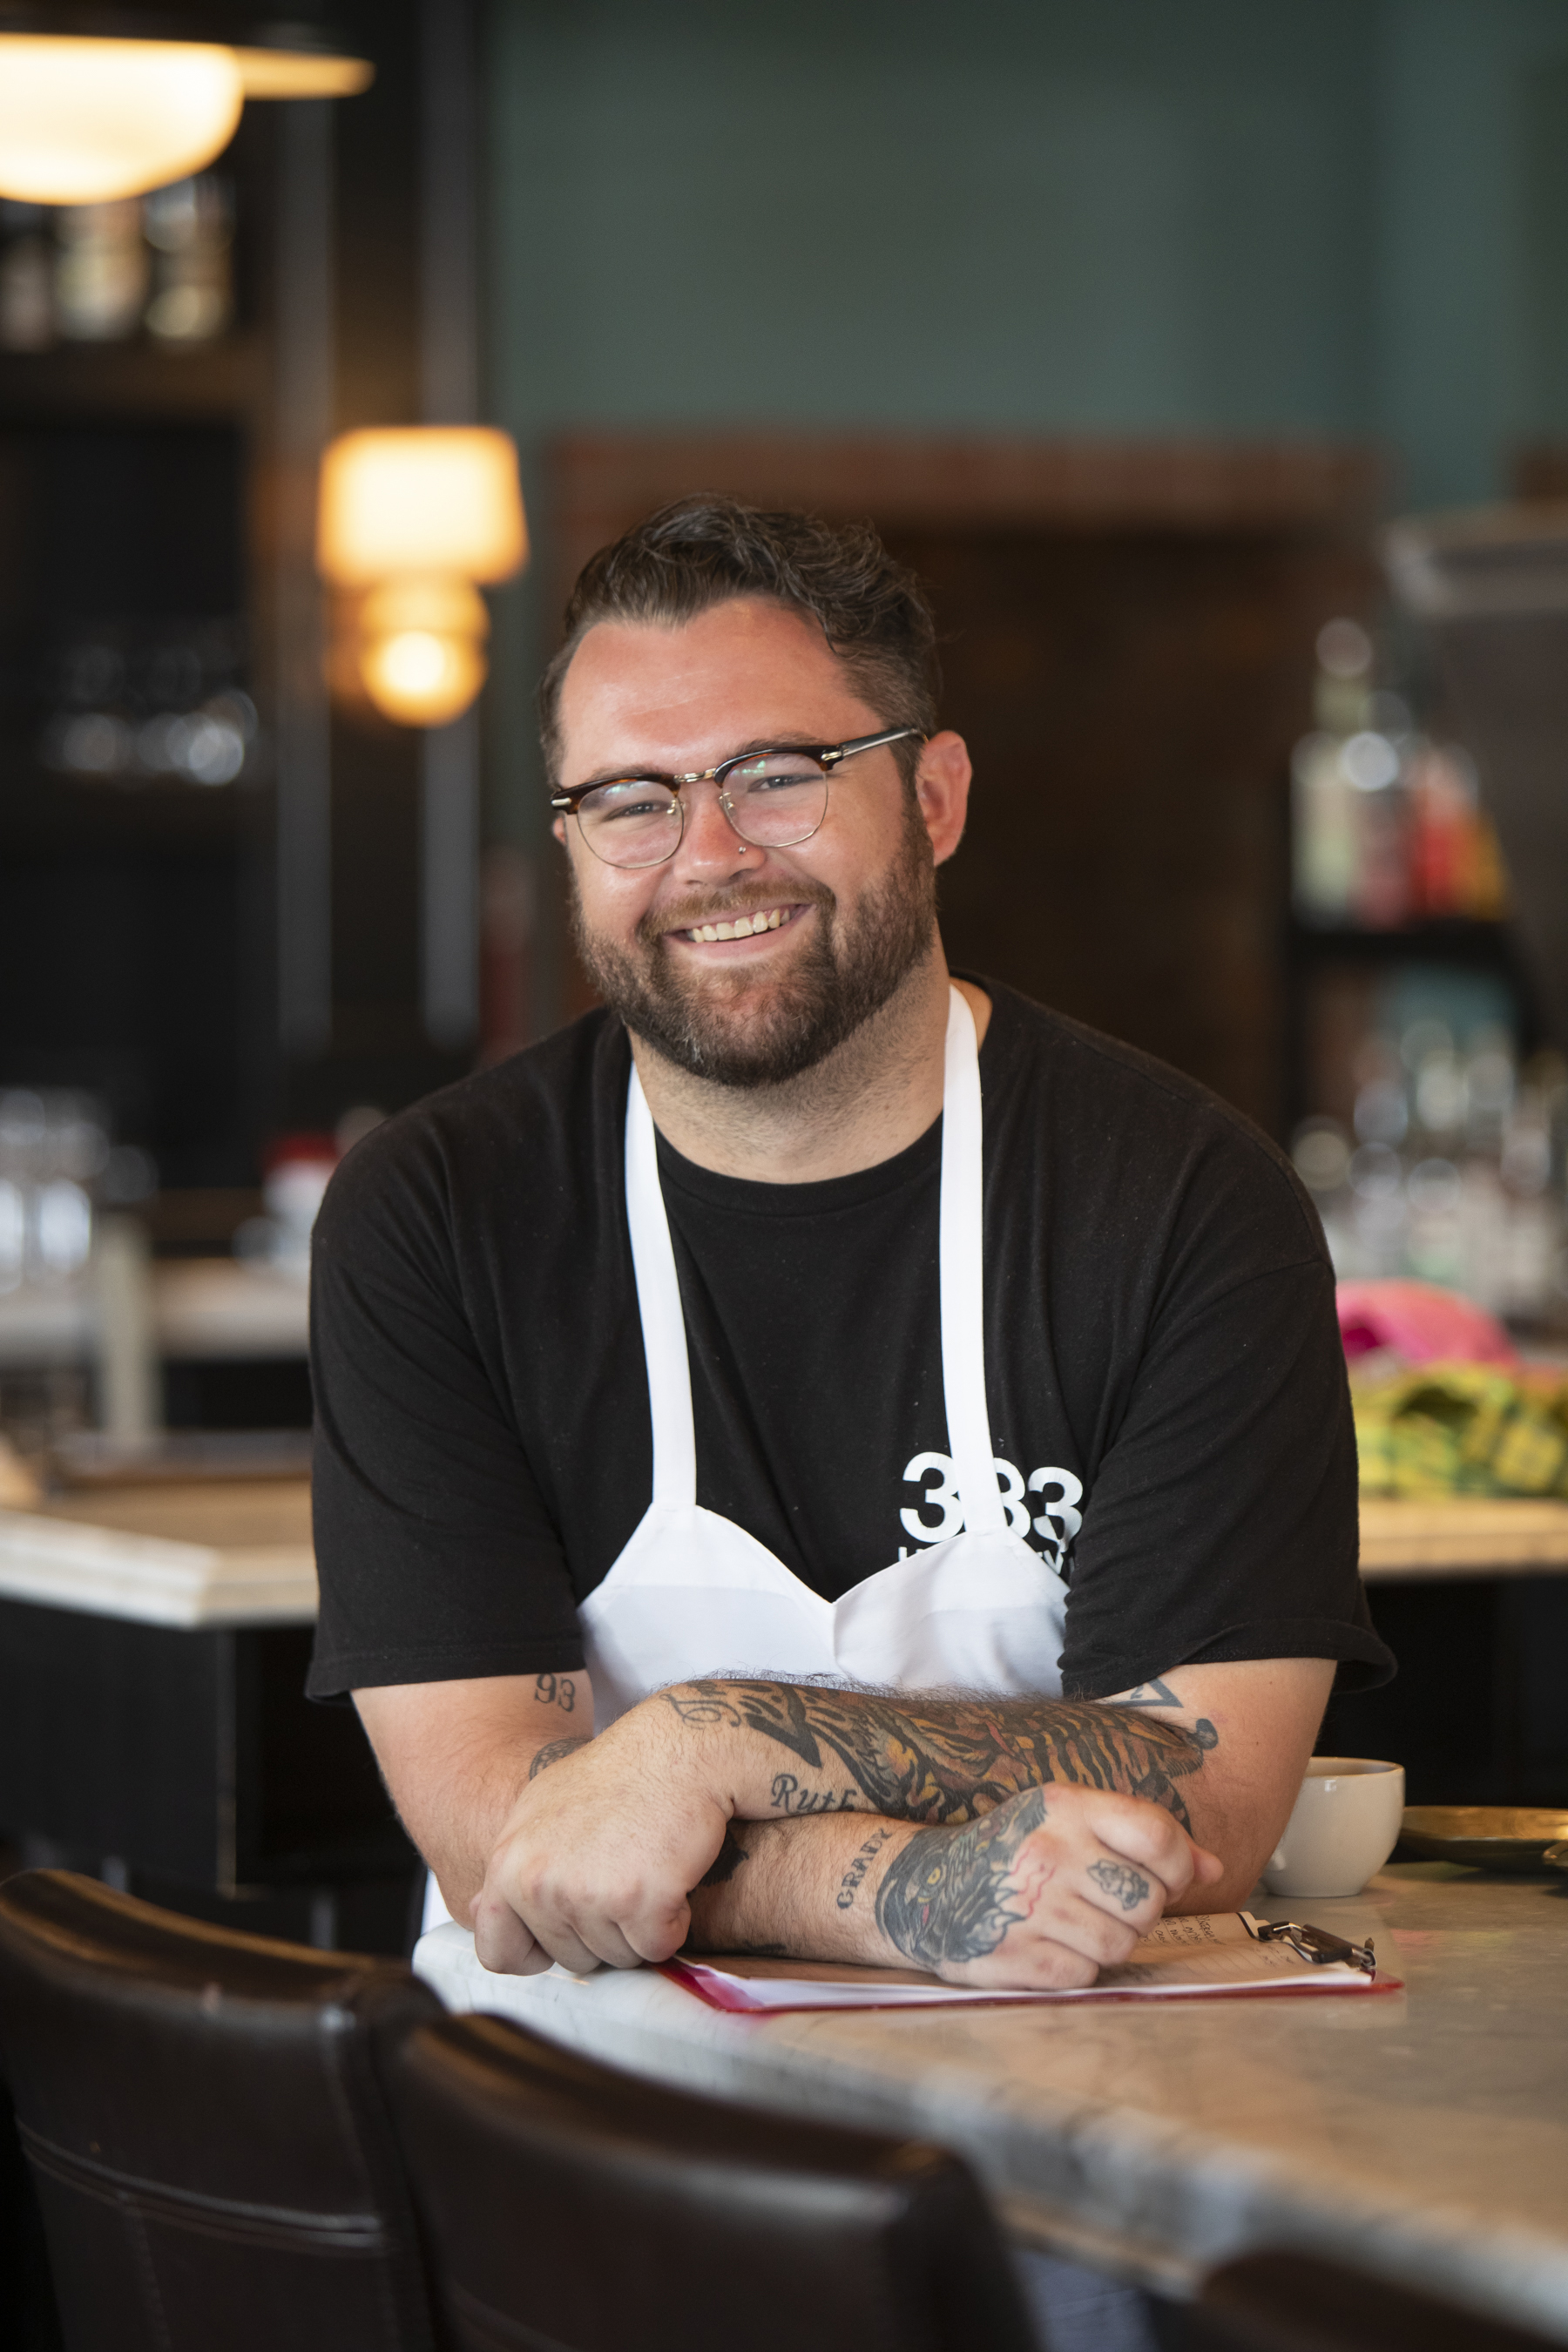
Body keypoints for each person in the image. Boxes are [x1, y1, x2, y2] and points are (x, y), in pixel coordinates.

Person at [308, 496, 1391, 1999]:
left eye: (778, 777)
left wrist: (712, 1742)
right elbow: (510, 1837)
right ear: (571, 841)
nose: (707, 856)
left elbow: (1205, 1791)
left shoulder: (1187, 1206)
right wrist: (890, 1892)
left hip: (1070, 2094)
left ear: (934, 799)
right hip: (566, 2101)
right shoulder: (438, 1216)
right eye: (630, 800)